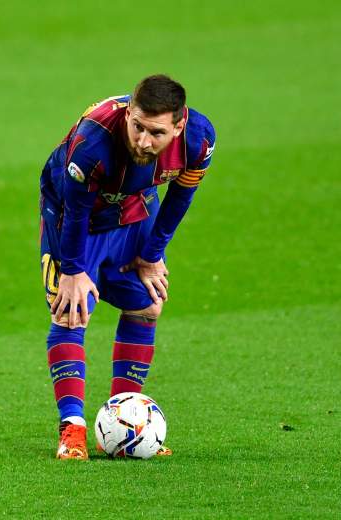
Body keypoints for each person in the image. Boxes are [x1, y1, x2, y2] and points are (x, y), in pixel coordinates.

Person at [39, 74, 216, 460]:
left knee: (148, 304)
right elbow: (75, 212)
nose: (143, 141)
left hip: (134, 209)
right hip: (74, 218)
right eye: (137, 126)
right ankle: (73, 429)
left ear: (179, 124)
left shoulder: (198, 141)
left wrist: (152, 254)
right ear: (129, 113)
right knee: (72, 310)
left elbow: (179, 199)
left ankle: (126, 421)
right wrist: (72, 270)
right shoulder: (93, 143)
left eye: (156, 132)